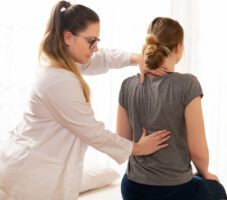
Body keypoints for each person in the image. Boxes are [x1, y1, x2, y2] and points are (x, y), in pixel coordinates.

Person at [0, 2, 171, 200]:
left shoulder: (62, 59)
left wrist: (136, 59)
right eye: (91, 41)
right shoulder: (58, 79)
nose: (95, 48)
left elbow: (102, 58)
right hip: (33, 173)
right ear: (68, 37)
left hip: (29, 160)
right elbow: (93, 132)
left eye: (97, 40)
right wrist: (138, 148)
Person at [117, 17, 227, 200]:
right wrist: (205, 173)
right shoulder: (188, 84)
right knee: (215, 191)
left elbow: (122, 140)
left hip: (132, 188)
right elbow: (197, 150)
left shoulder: (128, 85)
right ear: (178, 48)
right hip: (175, 190)